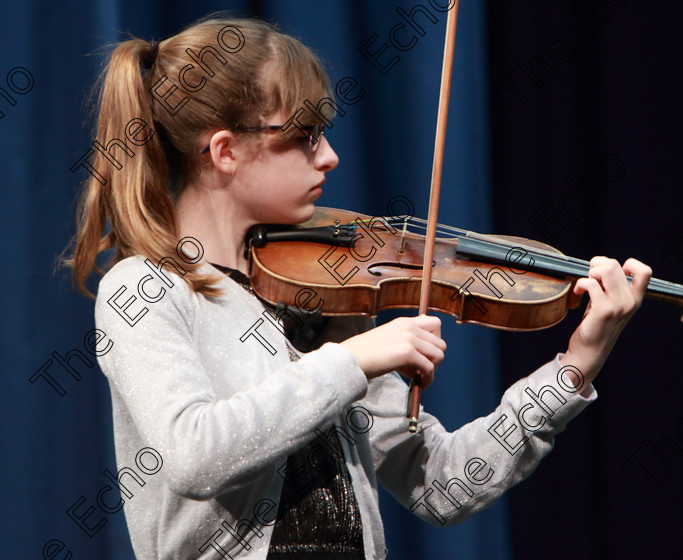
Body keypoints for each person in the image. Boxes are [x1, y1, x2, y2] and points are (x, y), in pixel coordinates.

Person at [68, 16, 651, 560]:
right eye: (305, 136)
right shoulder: (144, 289)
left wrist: (575, 367)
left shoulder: (322, 293)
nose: (330, 156)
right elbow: (194, 455)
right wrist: (351, 361)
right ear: (226, 151)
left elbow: (442, 486)